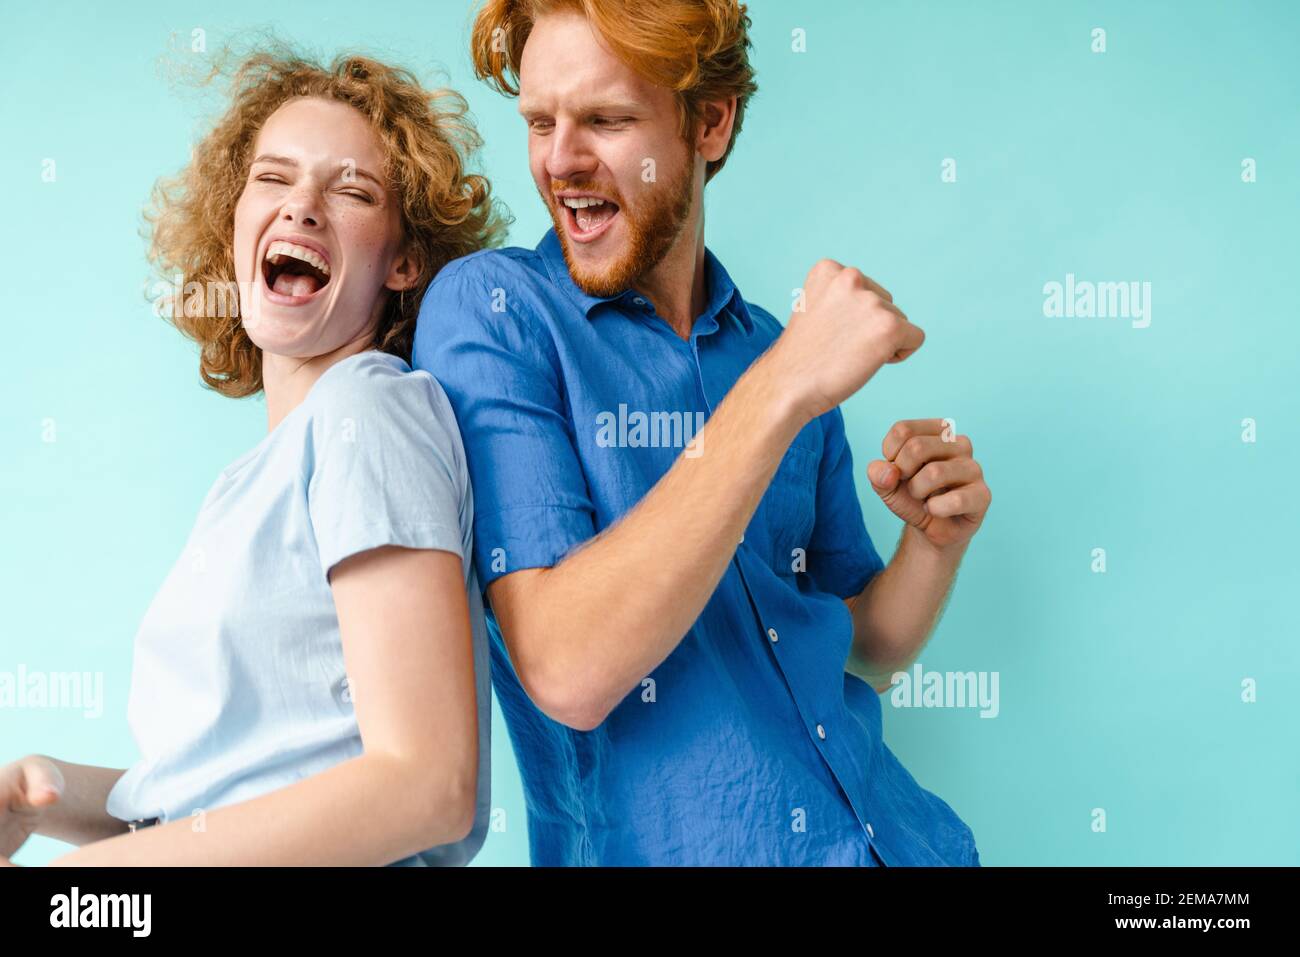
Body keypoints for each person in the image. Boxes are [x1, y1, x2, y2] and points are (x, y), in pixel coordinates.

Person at [413, 0, 993, 866]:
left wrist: (935, 543)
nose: (560, 160)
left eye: (605, 120)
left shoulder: (773, 350)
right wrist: (785, 387)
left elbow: (863, 645)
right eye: (540, 121)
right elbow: (565, 666)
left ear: (709, 122)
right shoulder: (494, 313)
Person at [0, 47, 505, 866]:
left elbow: (427, 784)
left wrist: (85, 884)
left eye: (351, 190)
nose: (301, 207)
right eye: (273, 179)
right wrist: (43, 792)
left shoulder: (367, 411)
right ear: (232, 223)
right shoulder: (258, 475)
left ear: (405, 263)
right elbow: (222, 815)